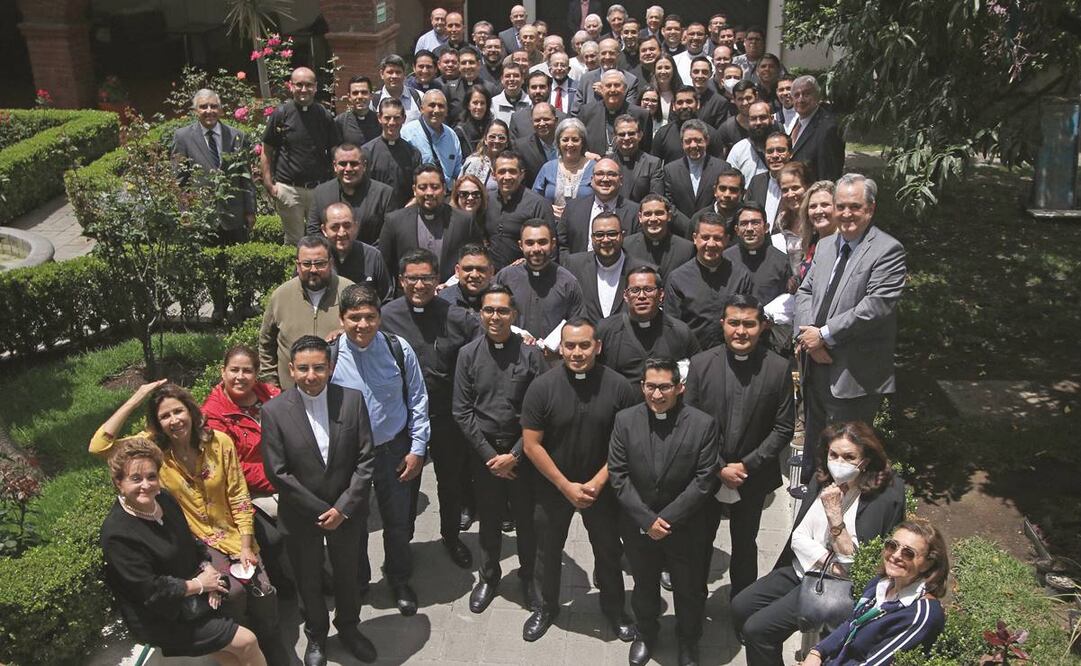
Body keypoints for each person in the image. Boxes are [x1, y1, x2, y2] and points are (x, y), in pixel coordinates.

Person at [91, 382, 285, 664]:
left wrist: (245, 544)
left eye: (178, 411)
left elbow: (239, 496)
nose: (174, 420)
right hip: (200, 540)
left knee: (263, 590)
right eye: (164, 416)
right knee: (233, 593)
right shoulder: (154, 454)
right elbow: (100, 446)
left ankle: (270, 643)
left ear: (191, 411)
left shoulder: (219, 442)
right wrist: (137, 396)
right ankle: (242, 641)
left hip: (231, 532)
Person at [731, 421, 908, 666]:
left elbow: (854, 563)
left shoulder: (883, 498)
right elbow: (799, 538)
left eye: (849, 457)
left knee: (758, 631)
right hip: (807, 567)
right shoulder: (823, 478)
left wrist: (835, 517)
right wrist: (827, 559)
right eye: (833, 454)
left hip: (835, 585)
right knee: (741, 606)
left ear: (864, 461)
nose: (838, 462)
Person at [521, 318, 640, 642]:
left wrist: (597, 483)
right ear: (560, 347)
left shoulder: (619, 387)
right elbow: (531, 444)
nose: (576, 352)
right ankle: (546, 607)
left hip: (601, 487)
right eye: (570, 345)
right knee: (546, 549)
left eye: (584, 345)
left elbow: (626, 442)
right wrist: (564, 485)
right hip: (553, 485)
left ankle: (615, 609)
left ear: (597, 347)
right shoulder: (542, 387)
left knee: (608, 551)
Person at [261, 336, 377, 666]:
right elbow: (278, 472)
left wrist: (342, 508)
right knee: (308, 579)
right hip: (301, 515)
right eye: (303, 369)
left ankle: (350, 628)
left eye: (319, 367)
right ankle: (316, 634)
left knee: (348, 574)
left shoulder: (352, 400)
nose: (311, 375)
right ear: (291, 370)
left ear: (331, 368)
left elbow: (366, 459)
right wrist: (321, 509)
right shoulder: (273, 411)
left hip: (347, 512)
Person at [100, 437, 266, 664]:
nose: (146, 485)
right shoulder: (117, 534)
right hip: (163, 617)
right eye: (135, 479)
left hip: (194, 596)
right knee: (247, 642)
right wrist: (199, 585)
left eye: (151, 476)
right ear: (119, 482)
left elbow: (189, 542)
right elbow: (149, 590)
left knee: (232, 657)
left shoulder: (164, 499)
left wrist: (208, 570)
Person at [795, 174, 906, 485]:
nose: (845, 214)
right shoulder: (827, 244)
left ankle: (843, 510)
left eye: (854, 207)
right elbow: (804, 292)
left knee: (848, 450)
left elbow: (876, 307)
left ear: (870, 209)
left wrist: (825, 334)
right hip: (814, 362)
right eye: (840, 206)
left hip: (854, 373)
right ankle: (812, 496)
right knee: (817, 438)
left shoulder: (887, 250)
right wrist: (809, 338)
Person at [608, 358, 718, 666]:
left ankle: (688, 640)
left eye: (665, 387)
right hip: (638, 527)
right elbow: (618, 475)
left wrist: (665, 519)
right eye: (651, 386)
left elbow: (704, 480)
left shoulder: (703, 424)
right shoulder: (624, 420)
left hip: (685, 527)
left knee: (689, 589)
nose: (657, 395)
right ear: (642, 386)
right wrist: (646, 520)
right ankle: (646, 634)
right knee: (644, 586)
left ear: (679, 388)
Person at [684, 295, 795, 597]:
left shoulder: (778, 368)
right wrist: (720, 467)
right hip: (706, 474)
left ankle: (742, 608)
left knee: (745, 544)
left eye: (749, 324)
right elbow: (688, 423)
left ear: (762, 327)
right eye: (734, 323)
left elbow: (783, 427)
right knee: (698, 542)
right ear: (723, 324)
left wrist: (746, 465)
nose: (741, 331)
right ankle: (692, 607)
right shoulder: (701, 364)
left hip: (752, 476)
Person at [330, 284, 430, 617]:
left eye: (369, 317)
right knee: (352, 522)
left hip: (394, 449)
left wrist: (417, 449)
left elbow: (417, 399)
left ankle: (399, 578)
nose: (362, 325)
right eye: (354, 317)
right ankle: (358, 581)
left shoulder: (398, 349)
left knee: (399, 519)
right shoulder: (329, 356)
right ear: (342, 319)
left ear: (379, 316)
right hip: (348, 455)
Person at [380, 249, 481, 569]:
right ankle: (403, 541)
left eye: (426, 277)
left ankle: (451, 537)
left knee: (450, 483)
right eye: (412, 278)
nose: (419, 285)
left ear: (438, 280)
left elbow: (481, 354)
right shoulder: (385, 316)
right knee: (403, 483)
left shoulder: (458, 317)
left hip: (446, 417)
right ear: (401, 281)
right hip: (402, 420)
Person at [454, 285, 547, 612]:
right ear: (481, 314)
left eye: (502, 311)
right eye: (489, 310)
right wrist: (491, 456)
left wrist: (516, 454)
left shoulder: (531, 355)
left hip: (524, 453)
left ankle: (529, 578)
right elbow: (462, 410)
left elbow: (543, 411)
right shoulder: (468, 355)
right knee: (489, 520)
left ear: (514, 315)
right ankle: (489, 576)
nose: (495, 317)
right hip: (485, 455)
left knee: (526, 520)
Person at [201, 345, 288, 592]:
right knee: (273, 537)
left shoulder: (271, 396)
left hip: (283, 475)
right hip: (249, 489)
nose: (240, 377)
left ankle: (312, 572)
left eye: (247, 371)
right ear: (223, 371)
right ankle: (282, 581)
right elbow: (233, 467)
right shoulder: (213, 415)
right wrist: (279, 477)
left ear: (257, 372)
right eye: (234, 370)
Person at [803, 519, 949, 665]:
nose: (896, 555)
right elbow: (852, 623)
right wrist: (817, 652)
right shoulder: (880, 585)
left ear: (927, 564)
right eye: (892, 546)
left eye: (908, 553)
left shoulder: (922, 615)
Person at [172, 88, 257, 323]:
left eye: (213, 106)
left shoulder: (237, 136)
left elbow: (246, 176)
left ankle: (244, 305)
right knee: (213, 265)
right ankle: (219, 307)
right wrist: (185, 212)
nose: (209, 111)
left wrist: (250, 210)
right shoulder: (183, 137)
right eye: (203, 107)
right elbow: (179, 180)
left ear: (220, 109)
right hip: (205, 215)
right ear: (195, 110)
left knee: (241, 262)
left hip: (236, 213)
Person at [258, 235, 353, 389]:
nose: (313, 270)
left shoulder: (348, 291)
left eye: (320, 263)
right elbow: (266, 344)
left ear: (330, 263)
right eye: (307, 264)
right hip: (291, 396)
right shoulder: (281, 295)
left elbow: (367, 333)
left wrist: (347, 331)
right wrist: (271, 385)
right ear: (297, 265)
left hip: (340, 393)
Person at [261, 67, 341, 245]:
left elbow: (334, 150)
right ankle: (294, 274)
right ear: (291, 86)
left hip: (319, 190)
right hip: (289, 190)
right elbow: (267, 149)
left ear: (315, 87)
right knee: (294, 241)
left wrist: (336, 182)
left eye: (308, 85)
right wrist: (268, 182)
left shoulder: (324, 115)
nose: (303, 89)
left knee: (321, 239)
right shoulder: (281, 114)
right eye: (299, 85)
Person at [379, 163, 483, 286]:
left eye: (434, 187)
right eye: (422, 187)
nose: (429, 192)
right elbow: (385, 267)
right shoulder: (394, 221)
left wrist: (452, 284)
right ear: (414, 190)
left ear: (444, 189)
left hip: (451, 297)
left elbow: (477, 259)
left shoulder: (465, 221)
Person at [596, 265, 700, 384]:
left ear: (661, 294)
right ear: (625, 295)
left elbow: (697, 374)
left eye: (648, 289)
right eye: (635, 290)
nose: (641, 296)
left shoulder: (680, 331)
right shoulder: (606, 330)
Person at [665, 212, 753, 349]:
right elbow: (673, 327)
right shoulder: (677, 279)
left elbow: (746, 320)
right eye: (705, 237)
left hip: (730, 356)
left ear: (726, 240)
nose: (711, 244)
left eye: (717, 238)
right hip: (692, 357)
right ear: (695, 238)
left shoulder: (740, 276)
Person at [494, 219, 583, 344]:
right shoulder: (505, 278)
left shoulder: (568, 282)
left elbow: (577, 324)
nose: (536, 249)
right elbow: (490, 316)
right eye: (530, 243)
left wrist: (556, 348)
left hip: (552, 360)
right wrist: (517, 333)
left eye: (542, 242)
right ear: (521, 245)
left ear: (553, 244)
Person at [305, 143, 394, 245]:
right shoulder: (321, 192)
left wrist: (368, 255)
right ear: (335, 166)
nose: (348, 169)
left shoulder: (384, 194)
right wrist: (333, 253)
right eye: (343, 164)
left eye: (354, 164)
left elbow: (388, 235)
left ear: (364, 166)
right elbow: (313, 230)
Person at [485, 151, 558, 269]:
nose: (507, 177)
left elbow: (550, 249)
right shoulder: (487, 201)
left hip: (526, 274)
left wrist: (528, 260)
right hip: (491, 276)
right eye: (502, 171)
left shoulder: (538, 204)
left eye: (512, 172)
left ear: (521, 174)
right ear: (494, 175)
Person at [557, 157, 640, 255]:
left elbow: (638, 248)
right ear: (592, 180)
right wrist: (570, 265)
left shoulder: (634, 212)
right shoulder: (572, 208)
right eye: (600, 174)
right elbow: (562, 244)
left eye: (611, 174)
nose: (605, 179)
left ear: (620, 180)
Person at [565, 211, 637, 322]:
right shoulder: (574, 265)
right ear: (592, 238)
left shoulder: (640, 270)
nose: (606, 240)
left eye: (612, 234)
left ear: (622, 235)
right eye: (599, 235)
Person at [318, 203, 395, 302]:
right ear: (324, 230)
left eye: (347, 226)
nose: (341, 233)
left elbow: (386, 299)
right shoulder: (314, 258)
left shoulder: (373, 256)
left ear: (355, 226)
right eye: (335, 227)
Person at [724, 202, 792, 307]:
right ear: (736, 230)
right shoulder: (725, 259)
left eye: (755, 223)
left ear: (766, 228)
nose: (749, 229)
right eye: (744, 224)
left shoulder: (782, 262)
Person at [362, 98, 424, 210]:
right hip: (374, 214)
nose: (392, 123)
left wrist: (407, 209)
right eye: (387, 118)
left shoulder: (413, 153)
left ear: (404, 119)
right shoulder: (366, 152)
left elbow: (419, 187)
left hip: (404, 214)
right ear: (379, 118)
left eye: (396, 118)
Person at [663, 120, 732, 218]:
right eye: (688, 141)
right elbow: (669, 205)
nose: (693, 145)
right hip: (681, 230)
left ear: (707, 140)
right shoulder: (670, 170)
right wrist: (689, 226)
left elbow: (723, 201)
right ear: (682, 143)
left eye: (698, 140)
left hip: (712, 228)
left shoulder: (722, 168)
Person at [532, 117, 596, 220]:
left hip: (584, 227)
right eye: (565, 140)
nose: (570, 144)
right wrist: (547, 208)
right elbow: (533, 199)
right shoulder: (548, 168)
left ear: (583, 142)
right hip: (552, 227)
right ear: (558, 143)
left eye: (575, 140)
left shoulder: (594, 168)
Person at [579, 70, 653, 156]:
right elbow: (580, 144)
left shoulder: (641, 115)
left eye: (617, 85)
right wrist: (586, 154)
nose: (613, 89)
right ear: (602, 89)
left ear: (625, 88)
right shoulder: (586, 112)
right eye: (608, 85)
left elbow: (647, 150)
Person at [623, 194, 696, 278]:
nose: (653, 219)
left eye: (659, 213)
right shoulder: (627, 246)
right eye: (647, 214)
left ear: (669, 216)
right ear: (640, 217)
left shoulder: (686, 249)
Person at [790, 75, 846, 182]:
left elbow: (829, 176)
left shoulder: (828, 129)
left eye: (806, 94)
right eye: (796, 95)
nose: (801, 99)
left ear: (817, 96)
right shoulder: (798, 123)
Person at [401, 89, 463, 187]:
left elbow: (458, 170)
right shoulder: (407, 134)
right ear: (421, 109)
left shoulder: (452, 136)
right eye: (432, 105)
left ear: (447, 111)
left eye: (441, 106)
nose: (436, 110)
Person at [652, 87, 727, 164]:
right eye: (680, 102)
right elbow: (654, 167)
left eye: (689, 101)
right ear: (673, 106)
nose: (684, 106)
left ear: (698, 104)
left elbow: (719, 167)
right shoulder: (662, 134)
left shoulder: (711, 134)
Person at [746, 131, 794, 228]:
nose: (775, 155)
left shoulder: (798, 182)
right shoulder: (756, 182)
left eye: (780, 150)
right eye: (770, 151)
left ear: (790, 153)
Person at [612, 114, 664, 203]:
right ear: (615, 137)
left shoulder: (653, 163)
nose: (626, 138)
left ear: (640, 135)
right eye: (622, 134)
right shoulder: (606, 162)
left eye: (631, 133)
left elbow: (656, 197)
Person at [773, 161, 814, 271]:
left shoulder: (817, 220)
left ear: (808, 186)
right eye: (785, 190)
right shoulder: (782, 220)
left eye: (795, 188)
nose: (790, 194)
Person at [794, 180, 837, 285]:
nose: (818, 211)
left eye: (825, 205)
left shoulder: (845, 244)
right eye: (813, 206)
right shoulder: (810, 242)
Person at [726, 100, 776, 185]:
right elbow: (729, 181)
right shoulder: (738, 149)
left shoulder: (782, 146)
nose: (758, 122)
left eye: (763, 117)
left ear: (771, 119)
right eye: (753, 119)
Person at [514, 102, 560, 188]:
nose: (542, 124)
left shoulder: (566, 144)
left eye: (546, 119)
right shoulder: (522, 147)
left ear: (556, 120)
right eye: (537, 120)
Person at [439, 242, 495, 312]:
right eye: (468, 269)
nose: (474, 275)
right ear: (457, 271)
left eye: (481, 269)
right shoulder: (443, 300)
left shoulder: (502, 301)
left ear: (491, 272)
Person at [690, 166, 745, 235]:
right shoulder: (698, 218)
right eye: (722, 188)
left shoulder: (748, 220)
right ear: (715, 191)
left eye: (733, 190)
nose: (727, 195)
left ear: (742, 193)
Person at [510, 71, 561, 139]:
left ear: (549, 89)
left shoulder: (562, 118)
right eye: (534, 87)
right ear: (528, 90)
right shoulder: (517, 119)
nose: (538, 91)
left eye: (542, 87)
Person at [371, 54, 422, 122]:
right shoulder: (374, 101)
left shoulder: (419, 97)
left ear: (404, 74)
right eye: (390, 72)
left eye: (398, 72)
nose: (394, 76)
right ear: (382, 74)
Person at [462, 119, 510, 191]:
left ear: (507, 142)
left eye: (501, 138)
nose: (496, 141)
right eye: (492, 137)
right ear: (485, 140)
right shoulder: (473, 162)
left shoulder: (510, 164)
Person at [336, 75, 382, 147]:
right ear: (349, 97)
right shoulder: (340, 122)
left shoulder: (380, 121)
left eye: (364, 92)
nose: (360, 96)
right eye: (355, 93)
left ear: (371, 96)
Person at [454, 84, 494, 155]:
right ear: (468, 105)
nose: (479, 107)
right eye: (475, 103)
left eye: (482, 103)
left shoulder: (492, 127)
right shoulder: (460, 131)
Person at [649, 55, 682, 129]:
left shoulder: (680, 94)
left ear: (674, 70)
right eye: (659, 68)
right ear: (654, 70)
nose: (663, 71)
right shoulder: (648, 93)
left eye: (667, 68)